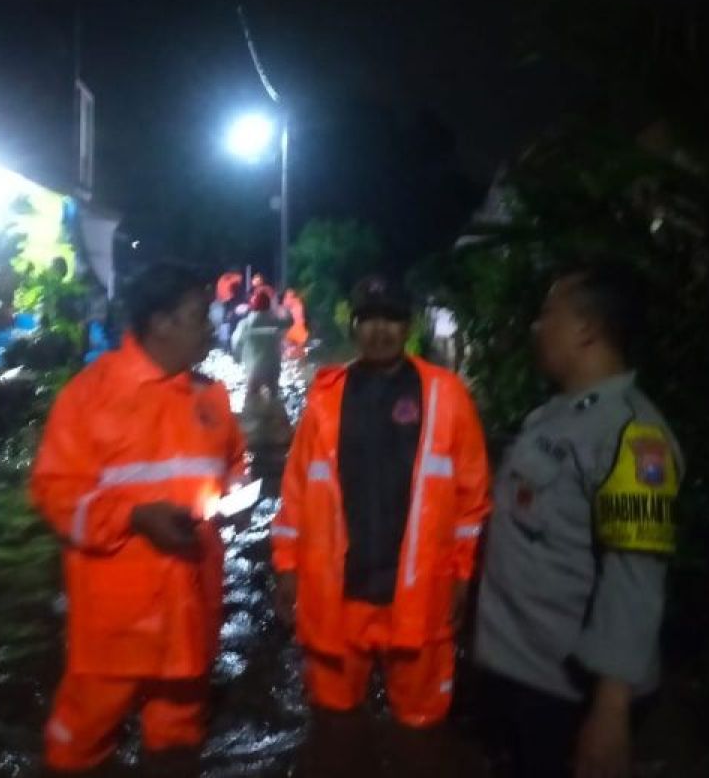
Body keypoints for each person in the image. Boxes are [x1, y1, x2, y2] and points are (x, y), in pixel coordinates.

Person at [30, 262, 247, 773]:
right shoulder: (90, 395)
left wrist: (237, 500)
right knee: (78, 744)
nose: (211, 326)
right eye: (200, 315)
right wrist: (133, 517)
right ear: (160, 322)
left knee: (177, 739)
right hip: (117, 622)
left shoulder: (211, 396)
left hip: (191, 606)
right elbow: (55, 493)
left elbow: (234, 464)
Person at [473, 261, 684, 778]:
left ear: (586, 328)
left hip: (565, 700)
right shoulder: (556, 417)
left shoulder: (634, 438)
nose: (536, 326)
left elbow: (634, 579)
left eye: (548, 313)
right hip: (520, 679)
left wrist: (609, 713)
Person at [271, 275, 491, 729]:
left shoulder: (446, 395)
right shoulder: (325, 399)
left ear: (407, 325)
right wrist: (287, 567)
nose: (380, 330)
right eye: (368, 319)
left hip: (417, 591)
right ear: (353, 327)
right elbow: (295, 493)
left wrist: (462, 573)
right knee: (334, 718)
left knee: (422, 721)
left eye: (391, 318)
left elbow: (472, 497)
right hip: (339, 593)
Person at [231, 289, 291, 398]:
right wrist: (281, 307)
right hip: (272, 368)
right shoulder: (275, 322)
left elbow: (235, 343)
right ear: (269, 307)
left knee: (251, 400)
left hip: (253, 369)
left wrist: (237, 358)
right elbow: (290, 321)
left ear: (252, 307)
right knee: (274, 397)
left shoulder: (244, 325)